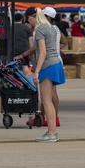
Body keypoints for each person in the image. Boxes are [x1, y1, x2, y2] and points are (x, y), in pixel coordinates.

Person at [33, 7, 65, 142]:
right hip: (57, 63)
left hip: (47, 65)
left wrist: (37, 71)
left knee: (46, 101)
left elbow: (43, 52)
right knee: (50, 99)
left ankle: (52, 132)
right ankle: (51, 131)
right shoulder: (53, 28)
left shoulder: (40, 29)